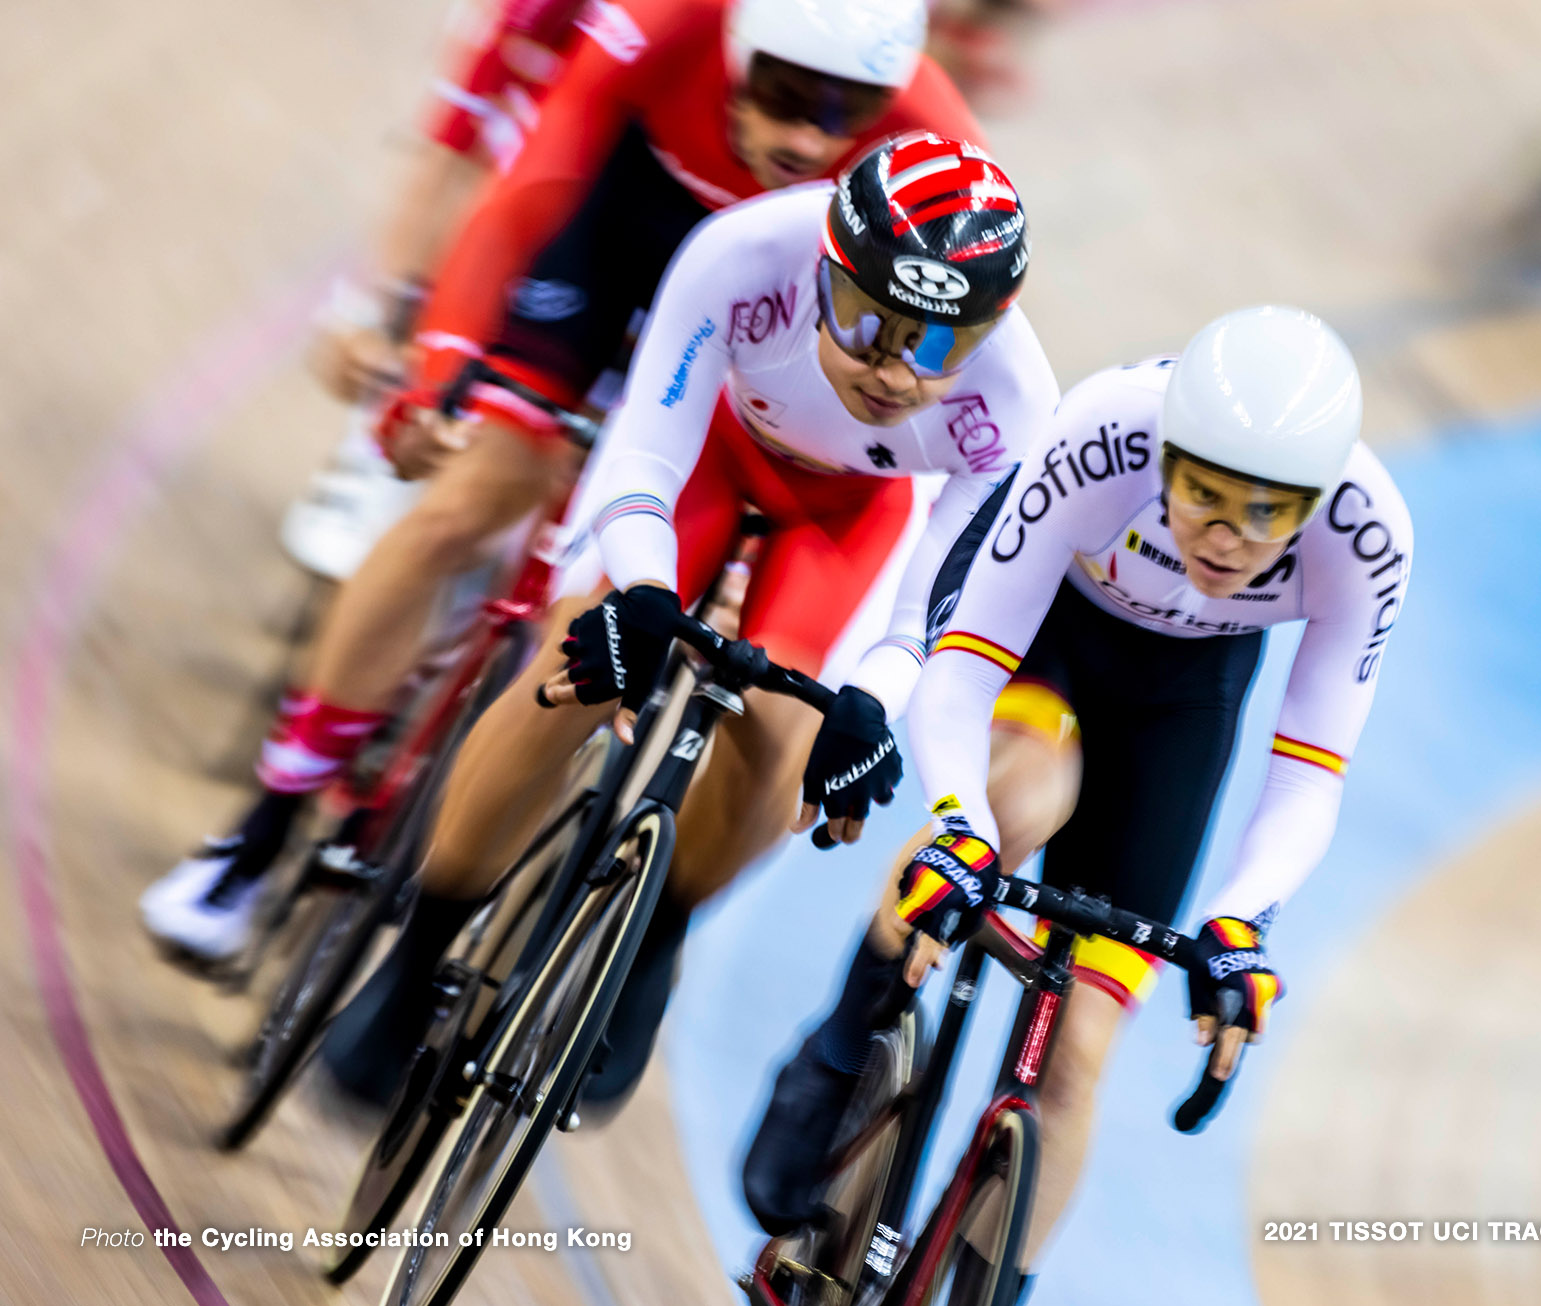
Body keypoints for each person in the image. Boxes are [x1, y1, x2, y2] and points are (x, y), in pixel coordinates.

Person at [140, 0, 977, 964]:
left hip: (763, 331)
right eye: (785, 98)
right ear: (739, 55)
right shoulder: (663, 24)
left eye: (847, 115)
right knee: (468, 500)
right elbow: (533, 184)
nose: (808, 136)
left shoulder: (937, 132)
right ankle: (263, 827)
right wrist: (441, 365)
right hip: (625, 234)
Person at [313, 133, 1059, 1111]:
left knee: (784, 740)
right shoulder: (745, 252)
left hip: (846, 517)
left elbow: (931, 612)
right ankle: (417, 953)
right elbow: (643, 456)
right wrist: (641, 596)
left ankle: (653, 938)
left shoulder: (1014, 406)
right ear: (826, 272)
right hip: (707, 454)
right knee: (571, 672)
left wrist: (870, 706)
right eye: (866, 321)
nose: (891, 369)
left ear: (986, 328)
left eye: (932, 344)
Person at [741, 307, 1414, 1296]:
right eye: (1203, 499)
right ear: (1166, 457)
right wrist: (962, 832)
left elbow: (1310, 770)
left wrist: (1239, 923)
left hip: (1182, 694)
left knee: (1078, 1054)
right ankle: (845, 1040)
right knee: (1022, 798)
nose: (1227, 539)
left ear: (1314, 502)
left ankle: (984, 1281)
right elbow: (963, 670)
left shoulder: (1367, 537)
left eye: (1266, 512)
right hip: (1048, 627)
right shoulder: (1103, 432)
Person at [288, 0, 592, 579]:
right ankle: (395, 407)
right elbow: (448, 151)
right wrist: (380, 313)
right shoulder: (535, 16)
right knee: (491, 185)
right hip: (515, 204)